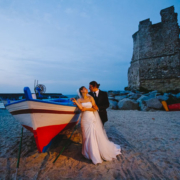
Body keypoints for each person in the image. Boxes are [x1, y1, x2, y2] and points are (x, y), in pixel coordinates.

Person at [71, 86, 121, 165]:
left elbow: (95, 108)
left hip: (91, 118)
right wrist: (76, 102)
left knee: (93, 135)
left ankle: (94, 154)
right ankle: (87, 152)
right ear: (81, 91)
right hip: (84, 119)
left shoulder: (90, 98)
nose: (86, 89)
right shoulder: (79, 100)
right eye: (84, 88)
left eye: (86, 88)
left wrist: (86, 109)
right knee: (86, 135)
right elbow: (81, 108)